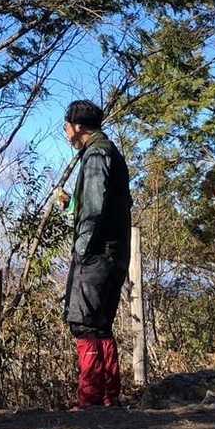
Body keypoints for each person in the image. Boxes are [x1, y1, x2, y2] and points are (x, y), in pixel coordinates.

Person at [56, 99, 131, 409]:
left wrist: (82, 251)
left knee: (84, 323)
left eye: (66, 127)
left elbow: (95, 210)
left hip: (97, 255)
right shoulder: (110, 152)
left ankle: (90, 401)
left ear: (77, 127)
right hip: (115, 253)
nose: (65, 133)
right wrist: (70, 205)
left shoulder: (97, 154)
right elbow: (100, 203)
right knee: (99, 325)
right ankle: (108, 398)